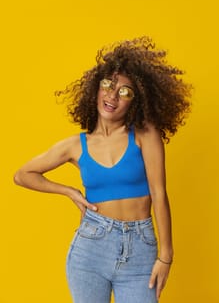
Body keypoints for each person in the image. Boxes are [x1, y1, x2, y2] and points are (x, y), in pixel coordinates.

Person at [14, 36, 192, 303]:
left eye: (125, 91)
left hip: (140, 246)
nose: (113, 95)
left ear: (136, 100)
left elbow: (159, 195)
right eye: (108, 85)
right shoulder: (75, 145)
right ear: (95, 89)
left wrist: (166, 256)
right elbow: (22, 175)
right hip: (90, 248)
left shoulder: (145, 134)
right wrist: (69, 192)